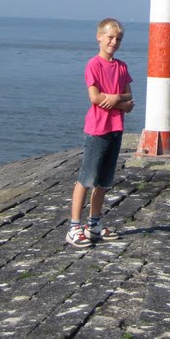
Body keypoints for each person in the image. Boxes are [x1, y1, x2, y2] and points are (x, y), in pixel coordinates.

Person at [66, 18, 134, 249]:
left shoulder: (122, 67)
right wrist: (117, 99)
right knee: (86, 178)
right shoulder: (93, 65)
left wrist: (116, 99)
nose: (114, 42)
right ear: (99, 37)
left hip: (116, 128)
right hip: (98, 128)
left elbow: (129, 97)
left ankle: (94, 224)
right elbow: (95, 98)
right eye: (110, 38)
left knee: (103, 181)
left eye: (118, 39)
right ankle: (75, 226)